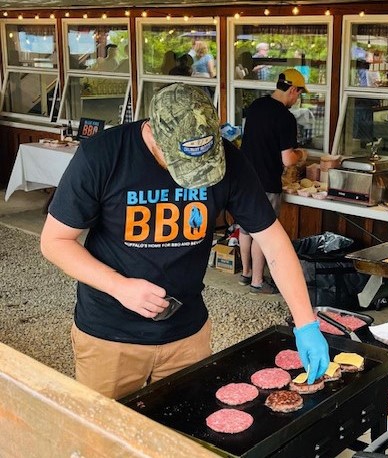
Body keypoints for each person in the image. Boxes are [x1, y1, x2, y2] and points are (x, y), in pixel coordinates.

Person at [40, 83, 329, 400]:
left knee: (186, 438)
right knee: (106, 442)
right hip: (109, 334)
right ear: (151, 132)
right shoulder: (102, 155)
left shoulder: (229, 159)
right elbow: (55, 241)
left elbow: (273, 241)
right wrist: (118, 286)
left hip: (187, 332)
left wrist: (306, 324)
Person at [238, 69, 308, 294]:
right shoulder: (285, 117)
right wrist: (302, 155)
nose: (297, 99)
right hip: (267, 180)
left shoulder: (257, 106)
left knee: (246, 228)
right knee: (263, 231)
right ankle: (258, 282)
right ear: (292, 90)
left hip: (245, 177)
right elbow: (287, 159)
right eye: (298, 94)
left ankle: (246, 273)